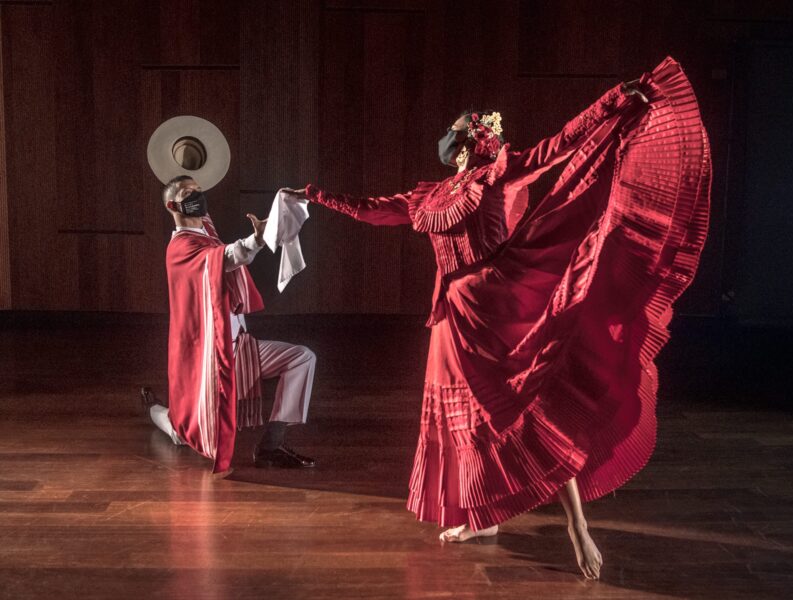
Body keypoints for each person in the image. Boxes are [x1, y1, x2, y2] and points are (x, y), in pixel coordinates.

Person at [283, 56, 711, 579]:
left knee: (528, 407)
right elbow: (373, 207)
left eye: (456, 128)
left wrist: (615, 100)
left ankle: (578, 526)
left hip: (496, 303)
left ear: (472, 138)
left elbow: (564, 143)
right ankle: (477, 514)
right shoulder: (428, 195)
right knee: (459, 420)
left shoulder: (499, 174)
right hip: (450, 318)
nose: (448, 134)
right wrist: (314, 195)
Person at [146, 175, 317, 473]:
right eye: (190, 193)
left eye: (200, 191)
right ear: (173, 205)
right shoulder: (180, 247)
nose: (199, 196)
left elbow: (217, 245)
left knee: (301, 358)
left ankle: (272, 444)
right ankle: (154, 409)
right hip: (209, 359)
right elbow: (225, 257)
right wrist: (257, 240)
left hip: (239, 348)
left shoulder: (205, 231)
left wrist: (280, 211)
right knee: (182, 433)